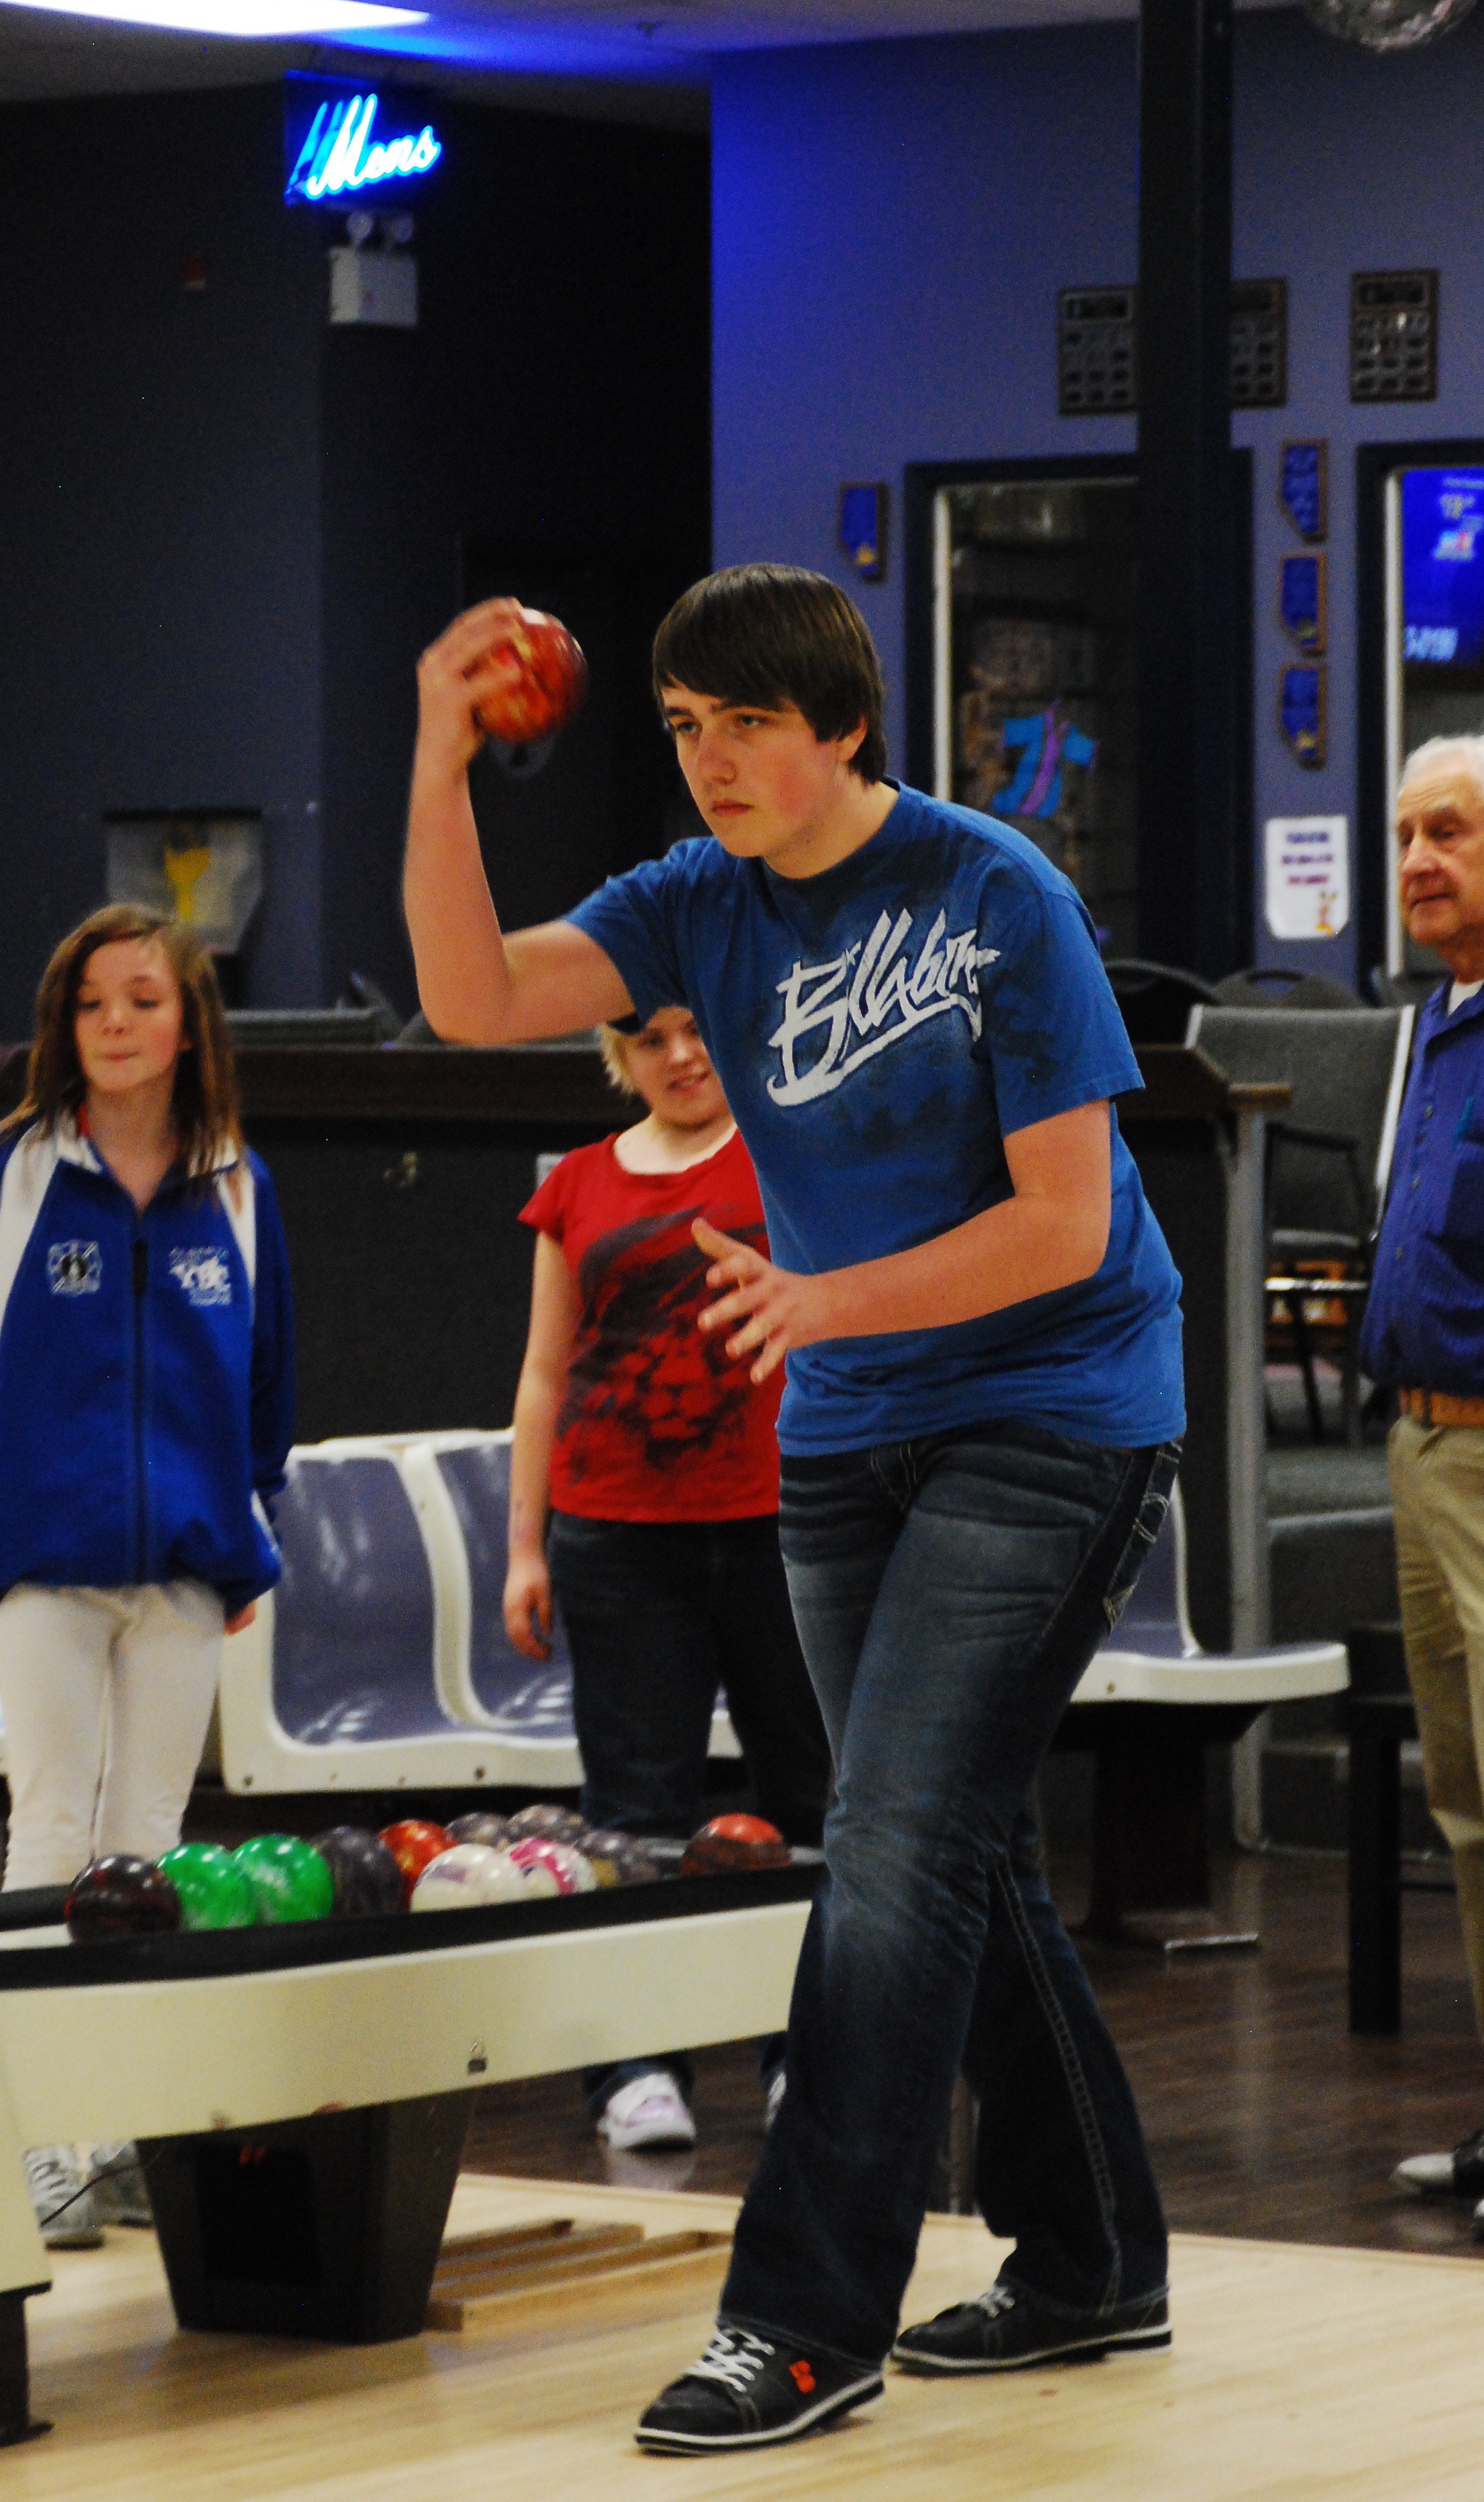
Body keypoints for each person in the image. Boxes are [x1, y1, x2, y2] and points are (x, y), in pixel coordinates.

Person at [405, 564, 1183, 2454]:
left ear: (840, 725)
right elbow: (474, 994)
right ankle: (1094, 2261)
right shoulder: (700, 907)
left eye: (745, 723)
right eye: (681, 729)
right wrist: (439, 758)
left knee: (897, 1841)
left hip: (1056, 1409)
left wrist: (821, 1295)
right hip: (849, 1429)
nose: (711, 762)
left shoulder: (999, 890)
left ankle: (805, 2318)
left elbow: (1067, 1224)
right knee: (950, 1845)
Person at [0, 903, 294, 2246]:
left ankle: (120, 2130)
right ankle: (34, 2143)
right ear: (65, 1026)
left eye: (143, 1000)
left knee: (153, 1855)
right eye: (93, 1004)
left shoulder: (239, 1182)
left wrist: (247, 1529)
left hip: (186, 1579)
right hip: (42, 1573)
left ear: (191, 1023)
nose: (117, 1025)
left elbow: (269, 1384)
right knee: (51, 1835)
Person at [506, 1004, 831, 2151]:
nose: (684, 1055)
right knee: (633, 1819)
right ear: (619, 1057)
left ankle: (809, 2056)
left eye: (702, 1028)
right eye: (651, 1039)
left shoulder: (796, 1146)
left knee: (805, 1805)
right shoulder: (580, 1184)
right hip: (617, 1538)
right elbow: (545, 1375)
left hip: (784, 1530)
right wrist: (523, 1547)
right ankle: (632, 2070)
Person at [1359, 737, 1484, 2228]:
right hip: (1420, 1443)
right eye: (1402, 837)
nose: (1414, 864)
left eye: (1447, 832)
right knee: (1466, 1803)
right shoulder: (1430, 1028)